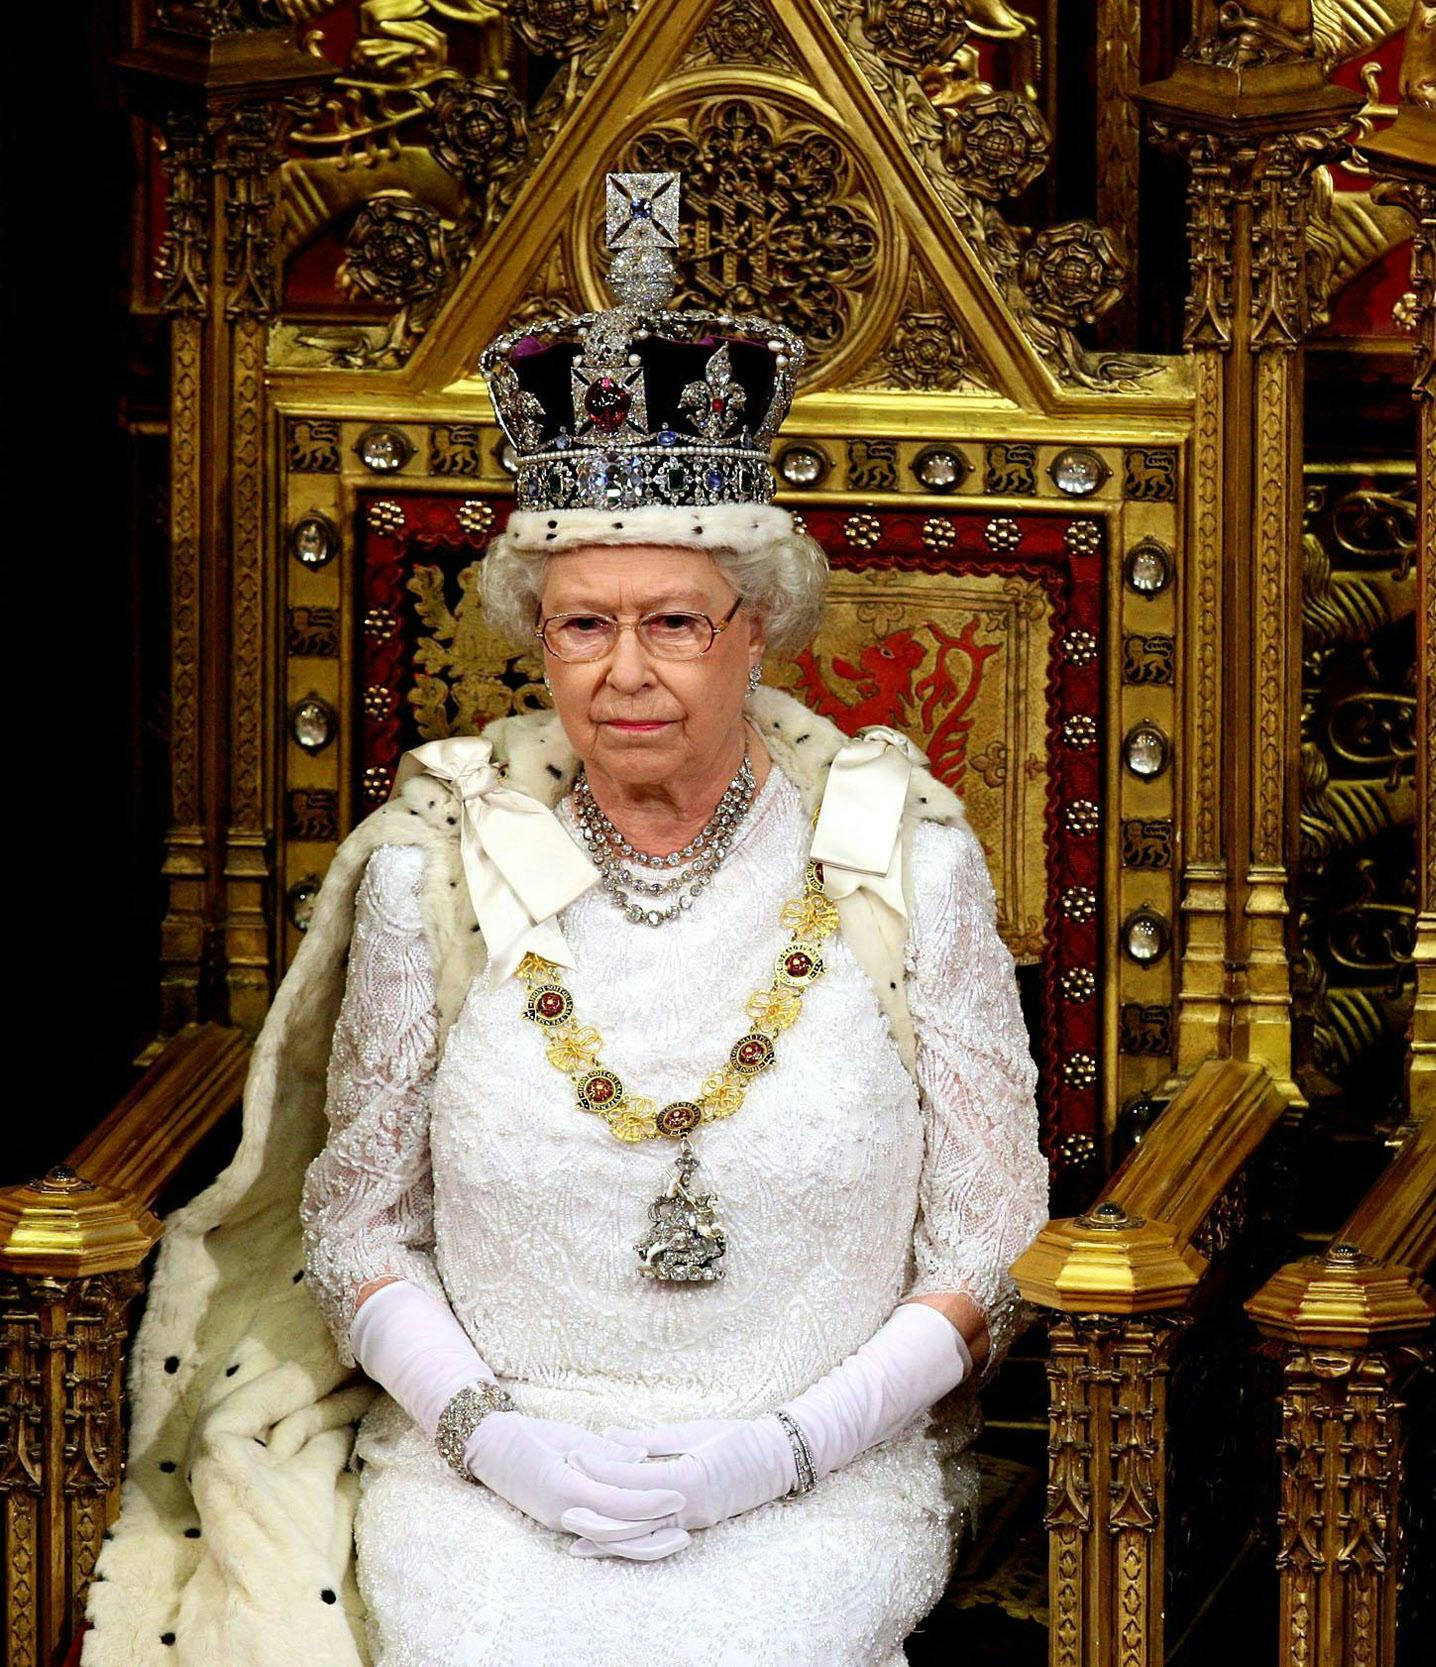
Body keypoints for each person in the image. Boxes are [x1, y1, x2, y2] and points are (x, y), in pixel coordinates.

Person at [86, 172, 1049, 1667]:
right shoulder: (438, 866)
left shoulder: (896, 857)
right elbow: (357, 1222)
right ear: (535, 638)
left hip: (812, 1484)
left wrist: (784, 1447)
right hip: (487, 1479)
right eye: (583, 624)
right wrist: (494, 1438)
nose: (627, 670)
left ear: (758, 628)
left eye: (675, 620)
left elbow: (988, 1236)